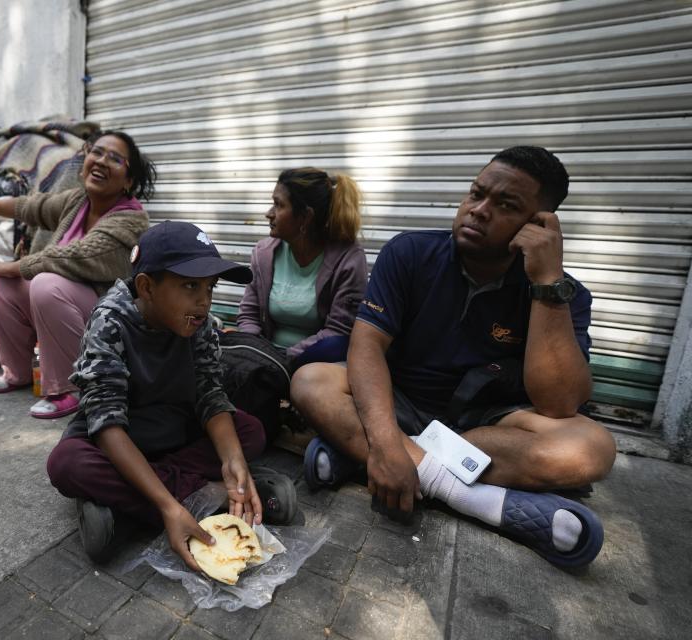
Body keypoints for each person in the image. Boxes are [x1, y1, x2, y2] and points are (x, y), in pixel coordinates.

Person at [291, 146, 616, 568]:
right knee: (310, 380)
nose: (478, 210)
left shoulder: (563, 293)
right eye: (476, 194)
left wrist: (546, 284)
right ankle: (470, 497)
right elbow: (367, 346)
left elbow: (559, 403)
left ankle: (363, 459)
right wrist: (387, 441)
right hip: (402, 404)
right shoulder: (408, 253)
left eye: (505, 205)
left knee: (592, 449)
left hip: (489, 420)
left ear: (539, 225)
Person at [46, 221, 297, 565]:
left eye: (210, 287)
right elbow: (106, 424)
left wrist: (233, 462)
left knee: (249, 432)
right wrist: (168, 505)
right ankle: (203, 498)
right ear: (147, 287)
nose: (204, 301)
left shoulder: (201, 325)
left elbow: (211, 394)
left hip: (175, 430)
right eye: (191, 286)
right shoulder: (110, 322)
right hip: (122, 436)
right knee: (67, 464)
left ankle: (128, 508)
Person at [0, 130, 153, 419]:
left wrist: (17, 266)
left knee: (44, 283)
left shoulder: (130, 221)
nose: (101, 161)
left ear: (129, 180)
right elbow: (29, 207)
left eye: (115, 159)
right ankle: (17, 372)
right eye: (96, 152)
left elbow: (76, 255)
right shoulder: (78, 202)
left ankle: (69, 388)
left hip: (110, 325)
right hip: (69, 309)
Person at [237, 168, 367, 367]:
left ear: (305, 216)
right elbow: (249, 314)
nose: (268, 214)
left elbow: (338, 333)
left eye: (278, 205)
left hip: (319, 365)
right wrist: (252, 354)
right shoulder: (263, 254)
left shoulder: (348, 260)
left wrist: (283, 360)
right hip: (264, 361)